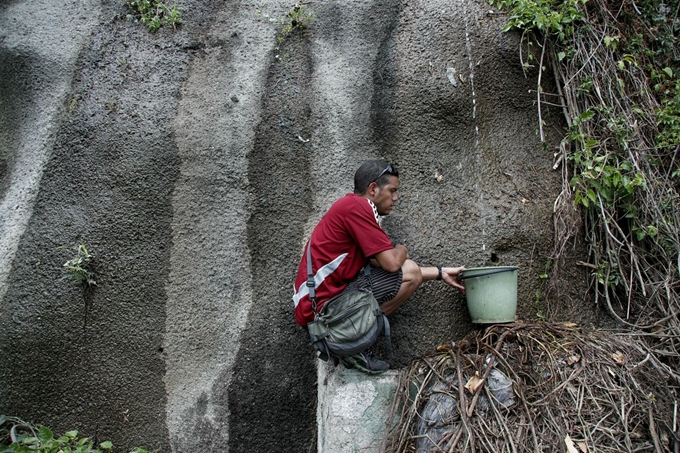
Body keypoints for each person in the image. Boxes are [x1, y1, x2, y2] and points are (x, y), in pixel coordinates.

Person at [292, 160, 466, 374]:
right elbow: (393, 264)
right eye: (392, 191)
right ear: (373, 189)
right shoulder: (358, 207)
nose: (395, 198)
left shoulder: (350, 207)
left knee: (410, 272)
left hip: (320, 307)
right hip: (323, 311)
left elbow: (379, 262)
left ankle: (351, 340)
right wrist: (402, 249)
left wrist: (440, 273)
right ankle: (352, 346)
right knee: (408, 269)